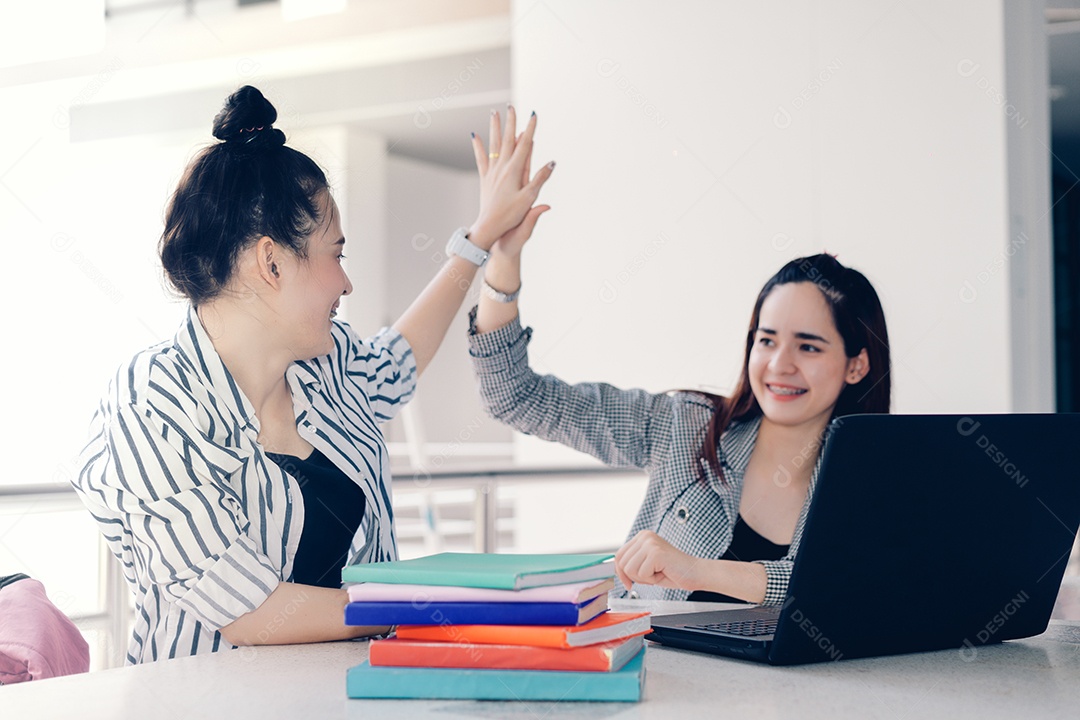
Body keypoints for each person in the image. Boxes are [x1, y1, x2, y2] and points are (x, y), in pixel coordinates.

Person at [73, 86, 553, 664]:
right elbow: (252, 612)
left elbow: (398, 359)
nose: (345, 284)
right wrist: (423, 605)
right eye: (336, 254)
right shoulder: (151, 405)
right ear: (271, 263)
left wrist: (483, 243)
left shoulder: (323, 367)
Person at [468, 233, 891, 605]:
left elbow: (850, 592)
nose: (779, 364)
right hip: (664, 689)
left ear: (856, 366)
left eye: (808, 347)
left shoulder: (873, 482)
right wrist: (504, 255)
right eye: (766, 341)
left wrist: (701, 570)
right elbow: (516, 397)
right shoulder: (686, 426)